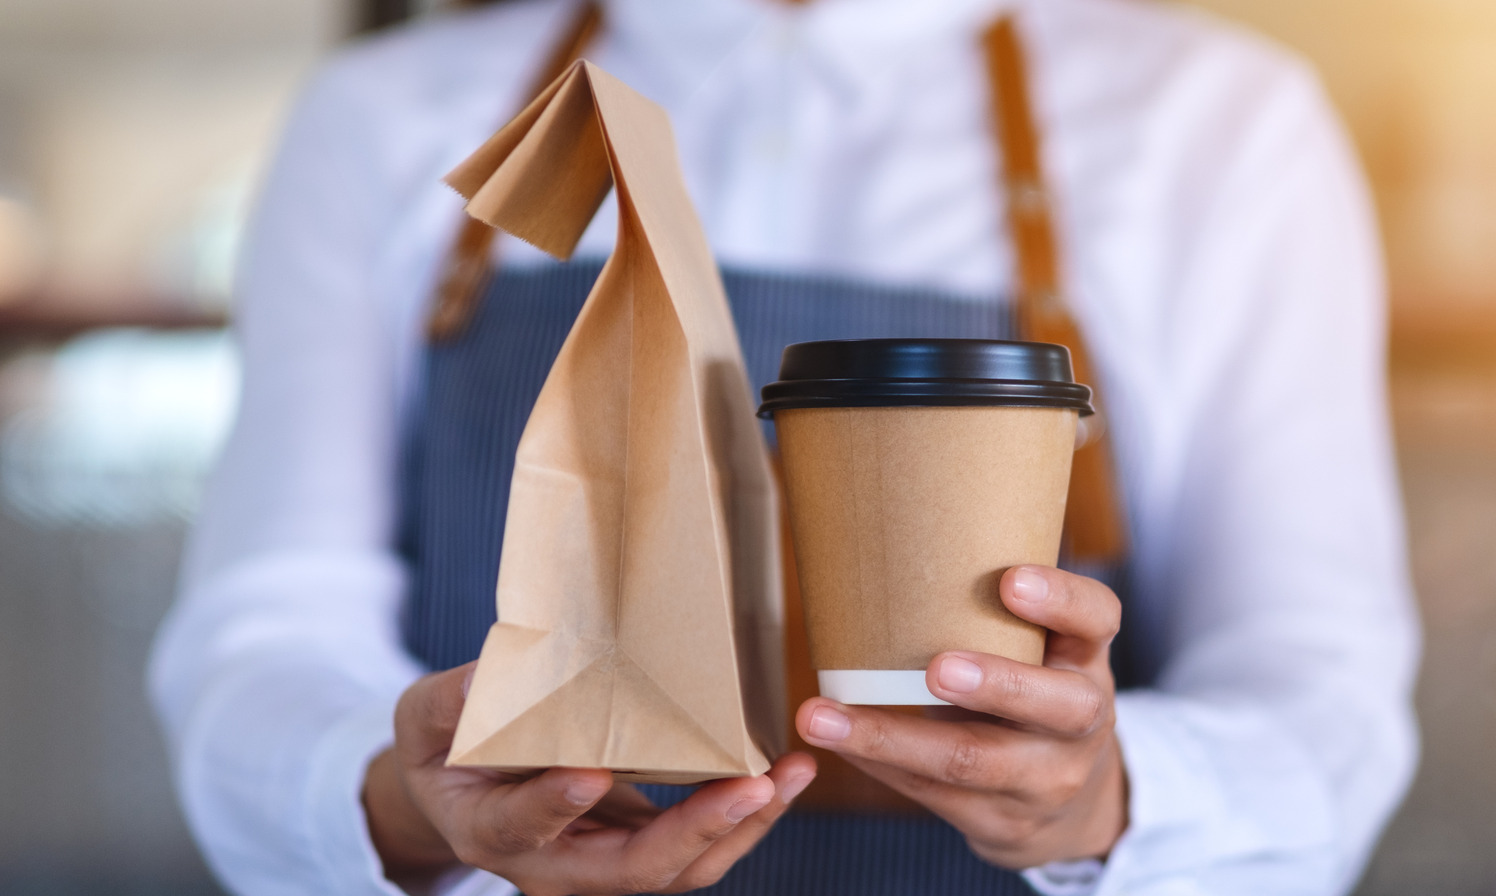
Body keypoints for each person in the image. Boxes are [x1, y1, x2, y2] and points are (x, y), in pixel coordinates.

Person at [148, 0, 1420, 894]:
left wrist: (1110, 800)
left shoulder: (1213, 124)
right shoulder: (389, 117)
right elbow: (266, 632)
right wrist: (401, 799)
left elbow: (1321, 687)